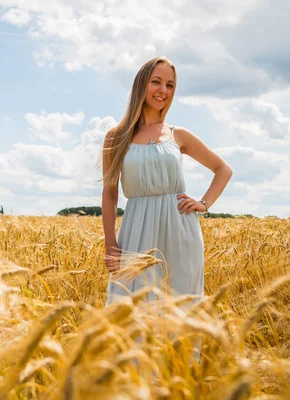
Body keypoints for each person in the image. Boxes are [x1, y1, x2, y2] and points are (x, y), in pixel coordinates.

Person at [100, 56, 232, 352]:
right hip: (136, 231)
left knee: (181, 310)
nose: (163, 90)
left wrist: (204, 202)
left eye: (170, 84)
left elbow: (223, 169)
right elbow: (110, 193)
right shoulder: (116, 137)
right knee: (132, 313)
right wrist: (111, 244)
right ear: (141, 85)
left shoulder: (178, 135)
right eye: (156, 82)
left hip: (181, 231)